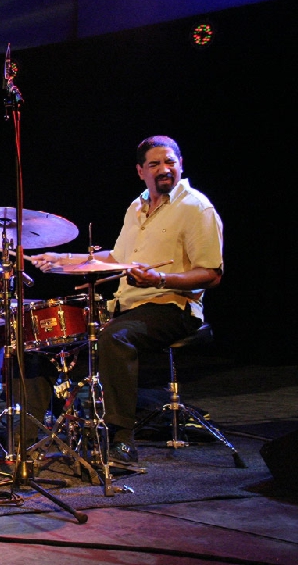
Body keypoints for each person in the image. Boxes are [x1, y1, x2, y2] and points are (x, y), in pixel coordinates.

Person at [29, 135, 223, 466]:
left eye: (170, 162)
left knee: (113, 337)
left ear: (180, 165)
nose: (164, 169)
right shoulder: (136, 208)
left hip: (172, 307)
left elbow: (211, 273)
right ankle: (25, 438)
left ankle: (121, 439)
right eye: (155, 164)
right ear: (140, 171)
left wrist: (160, 278)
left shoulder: (196, 208)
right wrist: (63, 259)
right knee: (44, 339)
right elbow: (117, 257)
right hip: (130, 308)